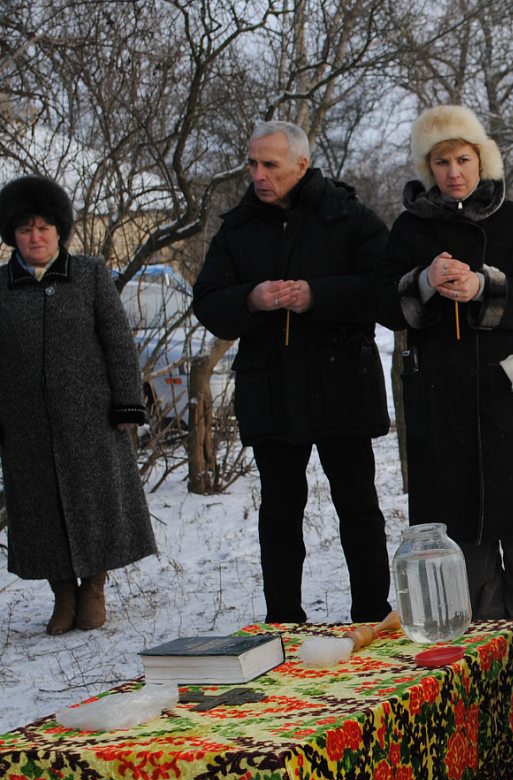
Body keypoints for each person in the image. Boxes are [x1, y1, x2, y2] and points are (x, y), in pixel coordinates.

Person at [374, 104, 513, 646]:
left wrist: (486, 289)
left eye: (462, 158)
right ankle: (487, 651)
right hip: (443, 399)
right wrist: (424, 281)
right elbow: (384, 302)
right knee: (463, 541)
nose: (454, 171)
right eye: (441, 161)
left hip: (511, 392)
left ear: (481, 159)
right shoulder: (411, 228)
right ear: (427, 168)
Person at [194, 120, 392, 624]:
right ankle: (283, 617)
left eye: (270, 165)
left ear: (301, 165)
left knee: (358, 506)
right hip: (272, 387)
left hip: (341, 381)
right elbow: (208, 301)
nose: (258, 175)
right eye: (252, 164)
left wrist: (317, 295)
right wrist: (251, 298)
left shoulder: (348, 217)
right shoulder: (237, 228)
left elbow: (385, 290)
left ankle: (372, 612)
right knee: (279, 512)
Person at [0, 175, 156, 634]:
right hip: (25, 425)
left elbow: (118, 343)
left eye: (45, 227)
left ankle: (93, 588)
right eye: (26, 228)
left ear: (59, 231)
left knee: (96, 505)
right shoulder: (1, 286)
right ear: (12, 234)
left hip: (91, 421)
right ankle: (62, 593)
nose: (36, 237)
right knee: (41, 511)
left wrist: (128, 402)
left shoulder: (89, 274)